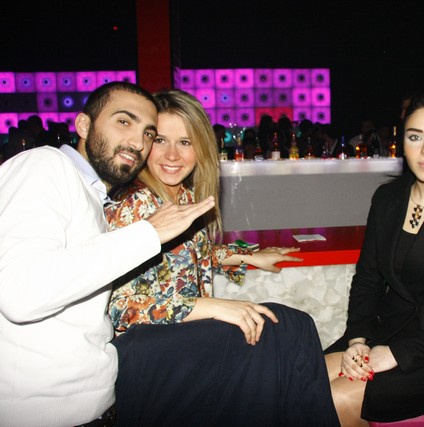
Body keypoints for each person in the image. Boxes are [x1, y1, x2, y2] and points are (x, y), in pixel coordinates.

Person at [105, 89, 340, 426]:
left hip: (178, 342)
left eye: (185, 142)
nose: (172, 154)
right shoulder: (135, 203)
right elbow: (119, 307)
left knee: (285, 345)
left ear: (201, 148)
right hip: (145, 355)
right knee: (290, 327)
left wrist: (247, 256)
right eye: (160, 140)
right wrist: (213, 306)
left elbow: (189, 254)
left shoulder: (181, 196)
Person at [0, 81, 215, 427]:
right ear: (83, 125)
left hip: (98, 406)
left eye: (147, 133)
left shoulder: (94, 197)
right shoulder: (43, 165)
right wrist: (149, 233)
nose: (138, 143)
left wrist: (242, 256)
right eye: (123, 121)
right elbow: (19, 292)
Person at [324, 94, 424, 426]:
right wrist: (358, 339)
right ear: (402, 143)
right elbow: (367, 279)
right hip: (382, 330)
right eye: (415, 137)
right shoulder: (388, 198)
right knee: (304, 377)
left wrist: (397, 354)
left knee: (336, 397)